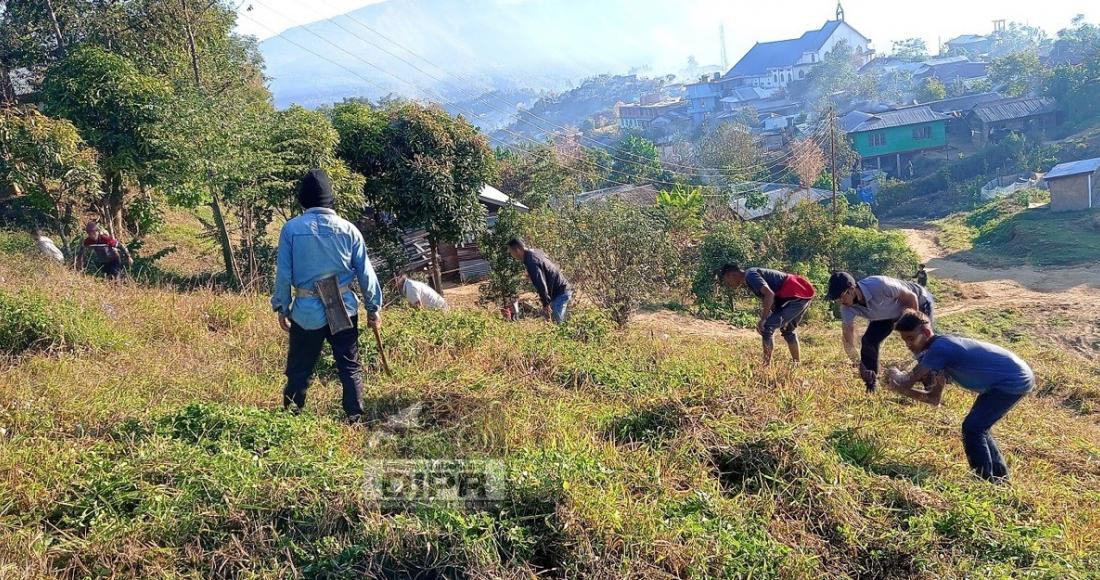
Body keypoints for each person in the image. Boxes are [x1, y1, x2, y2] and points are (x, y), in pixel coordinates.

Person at [271, 169, 383, 424]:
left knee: (300, 368)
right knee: (349, 365)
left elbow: (284, 275)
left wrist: (282, 307)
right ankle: (355, 416)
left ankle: (291, 418)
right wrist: (373, 309)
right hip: (343, 308)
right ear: (330, 200)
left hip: (306, 311)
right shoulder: (349, 230)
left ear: (304, 200)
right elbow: (366, 273)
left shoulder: (291, 230)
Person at [886, 309, 1034, 482]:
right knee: (978, 427)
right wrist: (901, 389)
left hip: (1014, 379)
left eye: (911, 338)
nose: (908, 345)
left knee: (973, 428)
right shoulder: (935, 354)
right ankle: (1000, 480)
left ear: (926, 332)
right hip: (1006, 380)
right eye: (905, 340)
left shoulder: (939, 348)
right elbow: (934, 399)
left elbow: (906, 381)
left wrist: (894, 374)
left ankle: (984, 481)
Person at [825, 271, 935, 392]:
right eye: (837, 299)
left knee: (919, 343)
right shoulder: (847, 308)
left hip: (918, 300)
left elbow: (910, 297)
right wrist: (860, 366)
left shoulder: (879, 285)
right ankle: (871, 384)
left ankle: (931, 385)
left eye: (841, 296)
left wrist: (910, 327)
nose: (840, 301)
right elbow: (848, 340)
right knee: (868, 341)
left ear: (852, 288)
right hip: (887, 313)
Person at [717, 263, 816, 366]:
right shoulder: (750, 276)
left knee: (767, 327)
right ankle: (796, 364)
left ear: (731, 274)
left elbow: (769, 294)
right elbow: (770, 298)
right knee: (788, 331)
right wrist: (767, 316)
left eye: (726, 281)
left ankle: (766, 366)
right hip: (800, 295)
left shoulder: (750, 275)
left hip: (795, 295)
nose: (728, 284)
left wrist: (763, 319)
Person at [508, 238, 571, 324]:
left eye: (511, 252)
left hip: (560, 292)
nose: (511, 255)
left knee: (557, 323)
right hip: (557, 290)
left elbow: (541, 284)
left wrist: (545, 303)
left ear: (517, 250)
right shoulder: (535, 252)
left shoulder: (531, 261)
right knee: (550, 320)